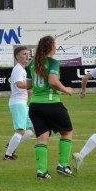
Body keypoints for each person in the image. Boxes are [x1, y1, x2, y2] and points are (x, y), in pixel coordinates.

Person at [27, 35, 75, 179]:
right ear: (52, 47)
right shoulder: (53, 62)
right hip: (51, 103)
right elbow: (53, 81)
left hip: (34, 105)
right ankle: (62, 165)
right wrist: (67, 90)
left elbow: (29, 85)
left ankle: (41, 171)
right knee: (67, 132)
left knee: (42, 137)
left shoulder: (31, 64)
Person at [3, 46, 34, 160]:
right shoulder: (17, 69)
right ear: (17, 57)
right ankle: (8, 155)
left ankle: (11, 144)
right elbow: (19, 84)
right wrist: (33, 85)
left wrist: (29, 91)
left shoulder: (22, 69)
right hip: (17, 103)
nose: (27, 56)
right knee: (21, 130)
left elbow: (22, 87)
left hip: (22, 103)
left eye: (27, 53)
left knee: (31, 130)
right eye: (24, 54)